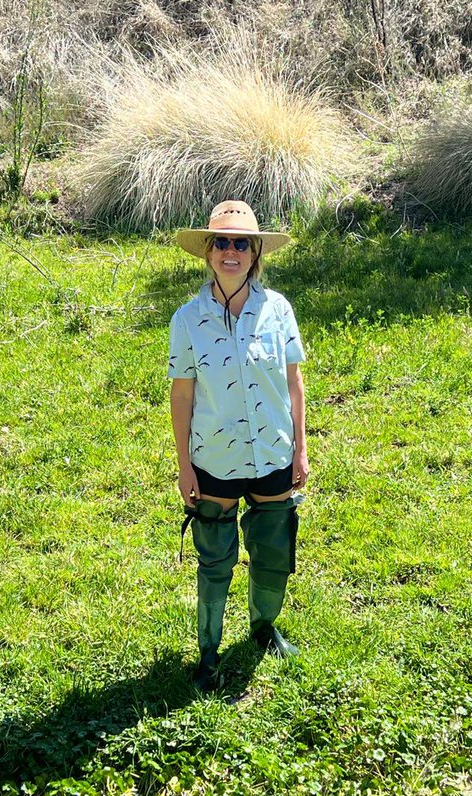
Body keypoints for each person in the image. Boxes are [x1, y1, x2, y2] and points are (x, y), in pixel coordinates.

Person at [169, 200, 309, 693]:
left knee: (273, 549)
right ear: (208, 252)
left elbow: (294, 383)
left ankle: (263, 627)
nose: (231, 252)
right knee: (215, 558)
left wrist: (301, 448)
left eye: (241, 244)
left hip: (273, 450)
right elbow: (182, 394)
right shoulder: (187, 319)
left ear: (255, 254)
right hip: (215, 457)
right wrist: (185, 465)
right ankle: (208, 652)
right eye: (222, 242)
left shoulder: (279, 310)